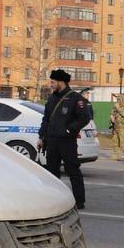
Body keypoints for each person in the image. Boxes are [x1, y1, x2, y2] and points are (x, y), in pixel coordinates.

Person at [37, 68, 91, 210]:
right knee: (52, 172)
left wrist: (69, 129)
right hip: (52, 141)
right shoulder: (52, 98)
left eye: (53, 82)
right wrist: (41, 136)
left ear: (61, 82)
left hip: (67, 141)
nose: (51, 84)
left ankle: (79, 201)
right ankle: (54, 199)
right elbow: (46, 119)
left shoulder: (76, 98)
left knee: (73, 170)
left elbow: (84, 118)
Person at [109, 95, 124, 161]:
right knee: (115, 142)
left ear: (122, 99)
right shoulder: (116, 106)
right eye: (117, 99)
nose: (118, 101)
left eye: (119, 99)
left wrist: (118, 107)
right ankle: (115, 155)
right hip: (115, 127)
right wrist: (111, 117)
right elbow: (112, 113)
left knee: (123, 142)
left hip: (123, 127)